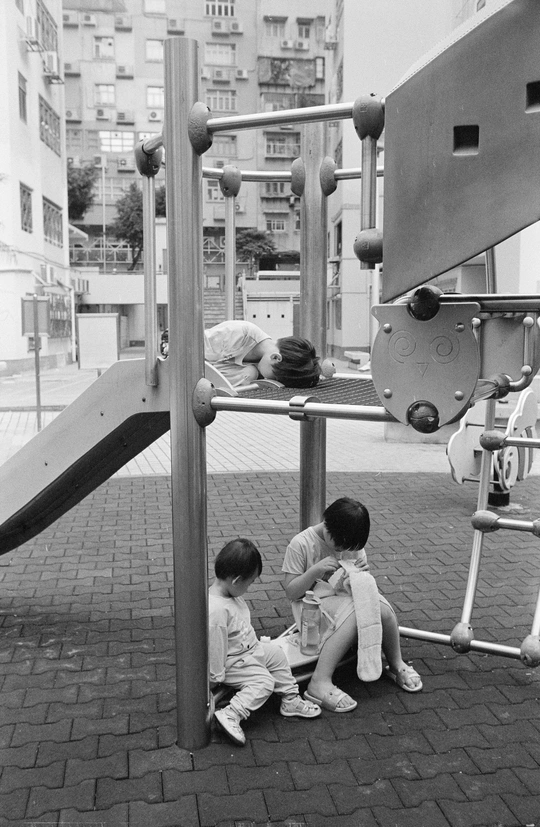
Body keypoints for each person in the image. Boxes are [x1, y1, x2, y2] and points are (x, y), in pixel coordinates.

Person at [282, 497, 422, 713]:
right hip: (310, 610)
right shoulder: (301, 544)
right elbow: (291, 592)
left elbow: (360, 582)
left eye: (348, 547)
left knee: (379, 606)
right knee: (358, 611)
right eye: (339, 545)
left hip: (342, 599)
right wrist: (316, 571)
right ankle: (319, 681)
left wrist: (361, 571)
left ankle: (396, 663)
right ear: (326, 524)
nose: (343, 550)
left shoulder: (350, 543)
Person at [209, 538, 321, 746]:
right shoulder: (216, 611)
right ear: (236, 581)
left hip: (249, 651)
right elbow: (216, 648)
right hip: (233, 662)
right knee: (264, 682)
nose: (249, 588)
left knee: (276, 654)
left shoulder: (229, 593)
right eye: (249, 583)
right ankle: (232, 713)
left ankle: (290, 699)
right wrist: (215, 678)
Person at [161, 320, 321, 388]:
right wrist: (171, 346)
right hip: (179, 352)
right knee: (250, 373)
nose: (272, 380)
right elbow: (193, 349)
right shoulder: (239, 334)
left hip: (206, 374)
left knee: (250, 373)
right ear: (275, 357)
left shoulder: (258, 366)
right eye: (275, 376)